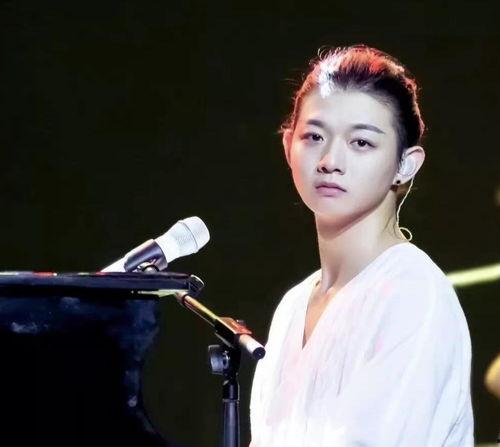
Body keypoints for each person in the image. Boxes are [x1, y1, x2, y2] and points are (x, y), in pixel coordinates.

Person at [249, 45, 474, 447]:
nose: (330, 160)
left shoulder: (413, 293)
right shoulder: (293, 306)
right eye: (314, 137)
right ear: (288, 147)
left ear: (405, 164)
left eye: (361, 143)